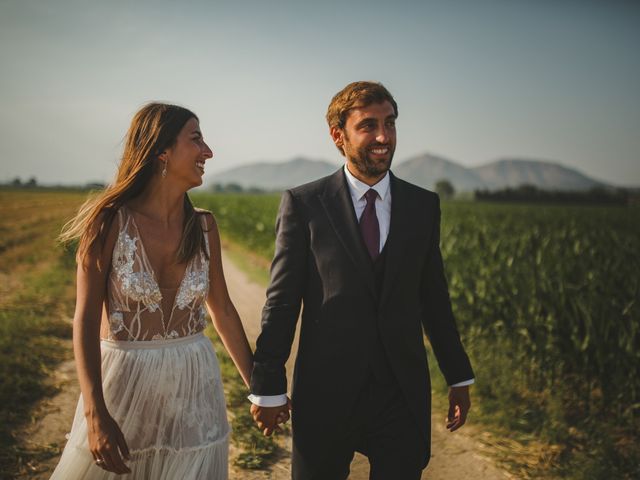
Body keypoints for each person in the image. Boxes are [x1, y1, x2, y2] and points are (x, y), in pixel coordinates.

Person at [249, 81, 475, 479]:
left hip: (401, 393)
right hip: (326, 390)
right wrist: (268, 384)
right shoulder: (305, 204)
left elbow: (434, 299)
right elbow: (281, 301)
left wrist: (457, 374)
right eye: (368, 125)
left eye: (389, 123)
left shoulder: (423, 206)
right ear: (339, 136)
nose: (383, 136)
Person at [52, 103, 258, 479]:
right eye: (196, 140)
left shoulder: (204, 227)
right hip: (123, 389)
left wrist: (260, 390)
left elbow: (223, 310)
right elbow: (83, 320)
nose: (208, 152)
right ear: (161, 150)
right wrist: (95, 413)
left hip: (194, 391)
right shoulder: (109, 221)